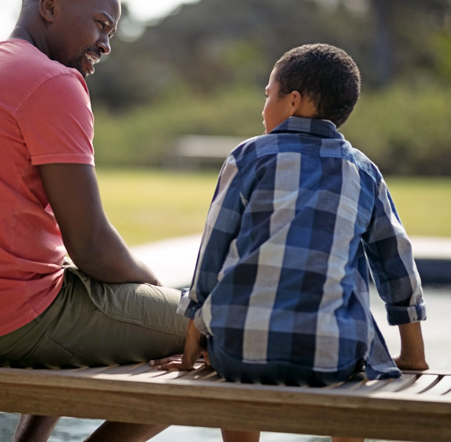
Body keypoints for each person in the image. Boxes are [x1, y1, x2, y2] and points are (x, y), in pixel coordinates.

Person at [0, 0, 187, 442]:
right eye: (100, 24)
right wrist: (160, 294)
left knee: (75, 293)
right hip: (10, 323)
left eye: (112, 32)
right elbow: (92, 246)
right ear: (50, 6)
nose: (105, 43)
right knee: (218, 331)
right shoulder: (54, 82)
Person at [151, 43, 429, 442]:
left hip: (238, 353)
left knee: (239, 370)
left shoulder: (248, 157)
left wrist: (193, 345)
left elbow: (212, 253)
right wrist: (413, 356)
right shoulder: (362, 170)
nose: (263, 107)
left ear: (293, 101)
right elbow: (395, 263)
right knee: (355, 365)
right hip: (332, 356)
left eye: (268, 95)